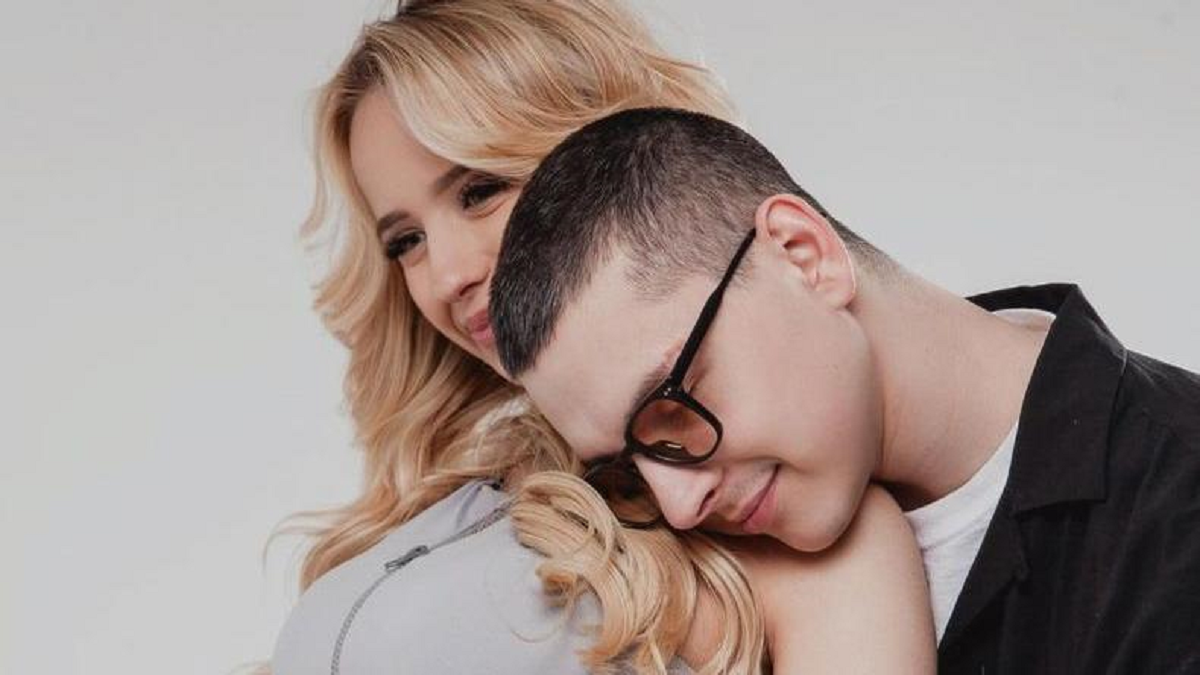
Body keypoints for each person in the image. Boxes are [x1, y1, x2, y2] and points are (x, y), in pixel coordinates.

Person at [270, 2, 935, 674]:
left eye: (479, 191)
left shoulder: (798, 529)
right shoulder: (448, 495)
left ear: (601, 154)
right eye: (406, 241)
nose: (447, 274)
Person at [489, 105, 1200, 673]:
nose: (678, 504)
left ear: (804, 256)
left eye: (672, 407)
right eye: (628, 466)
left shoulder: (1173, 522)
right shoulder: (709, 566)